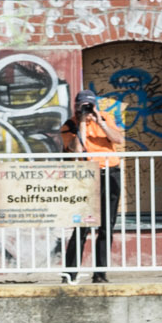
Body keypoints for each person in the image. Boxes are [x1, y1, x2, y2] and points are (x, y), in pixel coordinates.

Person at [58, 95, 126, 284]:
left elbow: (118, 139)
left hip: (110, 173)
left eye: (89, 105)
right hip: (85, 177)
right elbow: (76, 150)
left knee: (106, 227)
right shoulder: (70, 125)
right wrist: (81, 123)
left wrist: (99, 121)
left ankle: (100, 274)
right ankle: (70, 274)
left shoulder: (105, 117)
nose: (86, 109)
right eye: (82, 105)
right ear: (76, 106)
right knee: (81, 227)